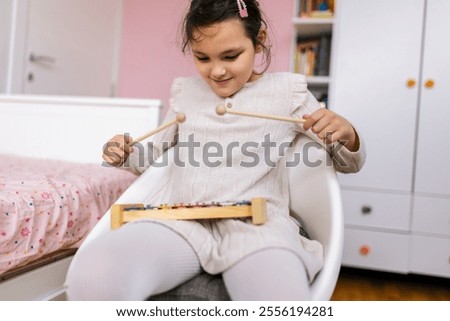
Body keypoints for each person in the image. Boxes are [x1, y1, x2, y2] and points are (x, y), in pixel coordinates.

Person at [66, 0, 365, 300]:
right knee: (94, 275)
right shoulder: (187, 94)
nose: (217, 71)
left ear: (258, 41)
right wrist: (125, 153)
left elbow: (349, 162)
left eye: (231, 55)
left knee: (279, 296)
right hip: (180, 221)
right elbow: (152, 157)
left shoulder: (288, 92)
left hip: (258, 225)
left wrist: (347, 134)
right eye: (202, 58)